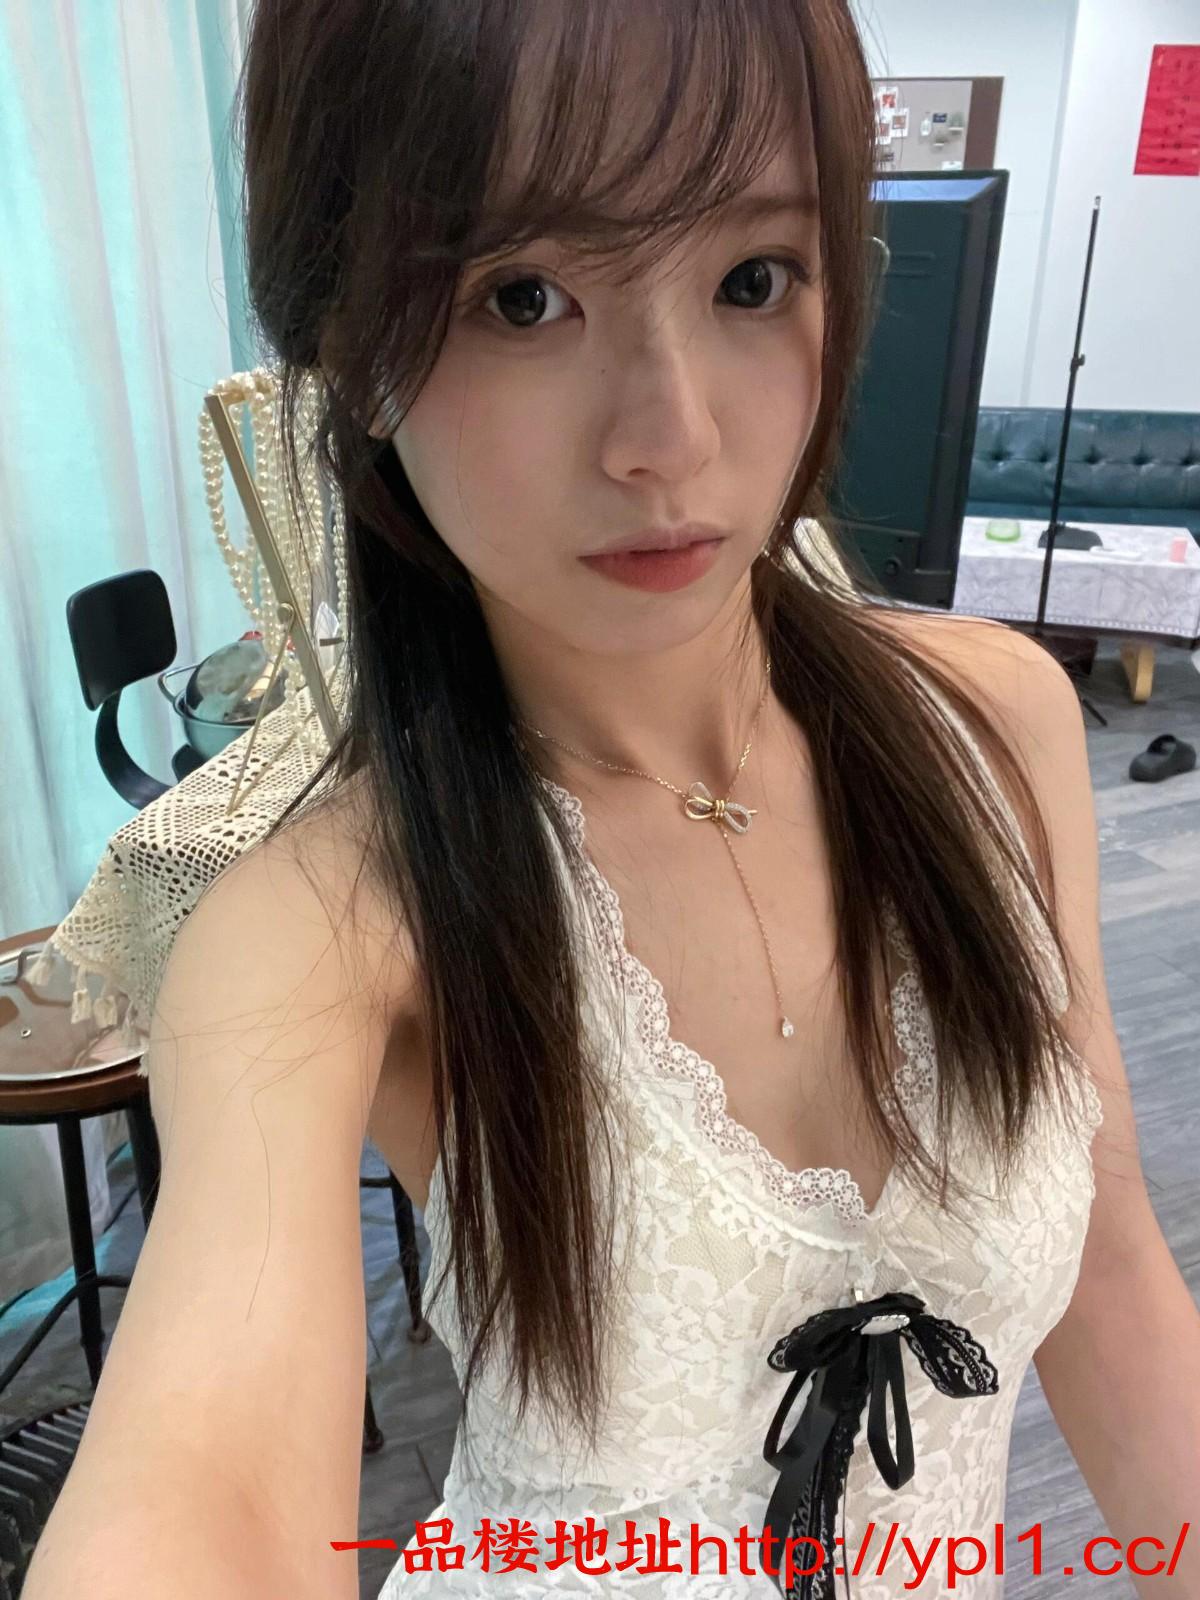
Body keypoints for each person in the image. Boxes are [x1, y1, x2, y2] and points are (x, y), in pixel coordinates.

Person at [25, 0, 1200, 1597]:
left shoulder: (993, 727)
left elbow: (1114, 1280)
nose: (673, 437)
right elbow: (210, 1494)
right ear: (352, 349)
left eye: (752, 279)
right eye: (525, 297)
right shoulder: (325, 926)